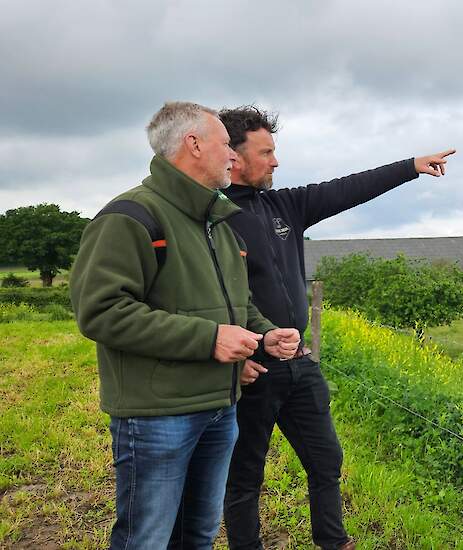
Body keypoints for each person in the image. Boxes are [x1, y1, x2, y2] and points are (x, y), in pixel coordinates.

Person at [218, 104, 454, 550]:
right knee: (245, 474)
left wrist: (410, 167)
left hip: (299, 363)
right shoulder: (213, 217)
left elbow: (346, 189)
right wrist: (236, 356)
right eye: (266, 152)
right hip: (250, 369)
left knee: (326, 460)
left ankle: (334, 542)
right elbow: (198, 294)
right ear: (234, 156)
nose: (275, 161)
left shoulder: (283, 205)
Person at [70, 101, 302, 549]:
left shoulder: (216, 221)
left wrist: (263, 332)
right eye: (224, 146)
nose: (233, 156)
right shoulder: (131, 216)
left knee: (197, 535)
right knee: (147, 539)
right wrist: (210, 339)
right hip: (158, 415)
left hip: (220, 406)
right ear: (193, 145)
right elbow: (100, 311)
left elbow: (234, 302)